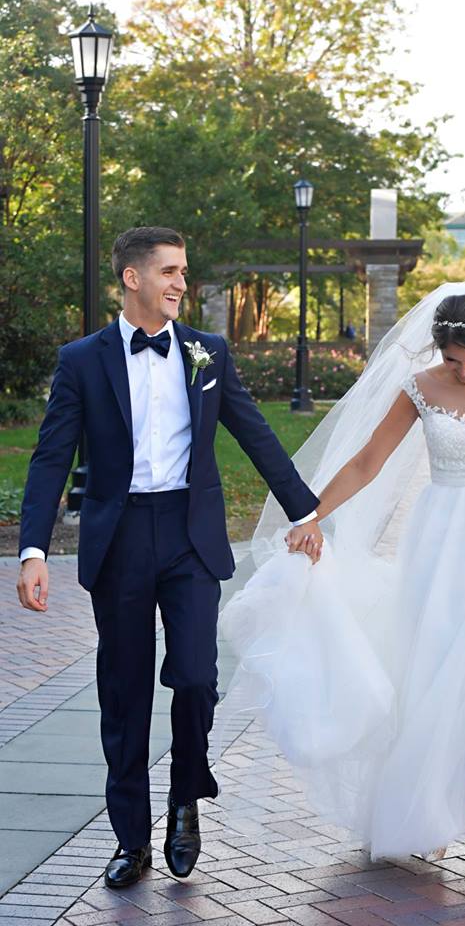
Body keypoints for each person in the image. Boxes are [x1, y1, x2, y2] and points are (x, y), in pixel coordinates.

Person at [219, 281, 465, 863]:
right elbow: (368, 461)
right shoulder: (419, 389)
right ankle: (433, 808)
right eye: (454, 360)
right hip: (441, 542)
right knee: (436, 672)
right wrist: (313, 515)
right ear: (438, 350)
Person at [16, 226, 323, 888]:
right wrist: (33, 549)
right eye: (170, 272)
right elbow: (50, 458)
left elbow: (254, 431)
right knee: (124, 694)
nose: (183, 283)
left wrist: (305, 512)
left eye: (185, 271)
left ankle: (186, 796)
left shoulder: (207, 352)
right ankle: (132, 840)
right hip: (119, 539)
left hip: (189, 536)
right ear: (132, 278)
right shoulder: (82, 361)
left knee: (194, 676)